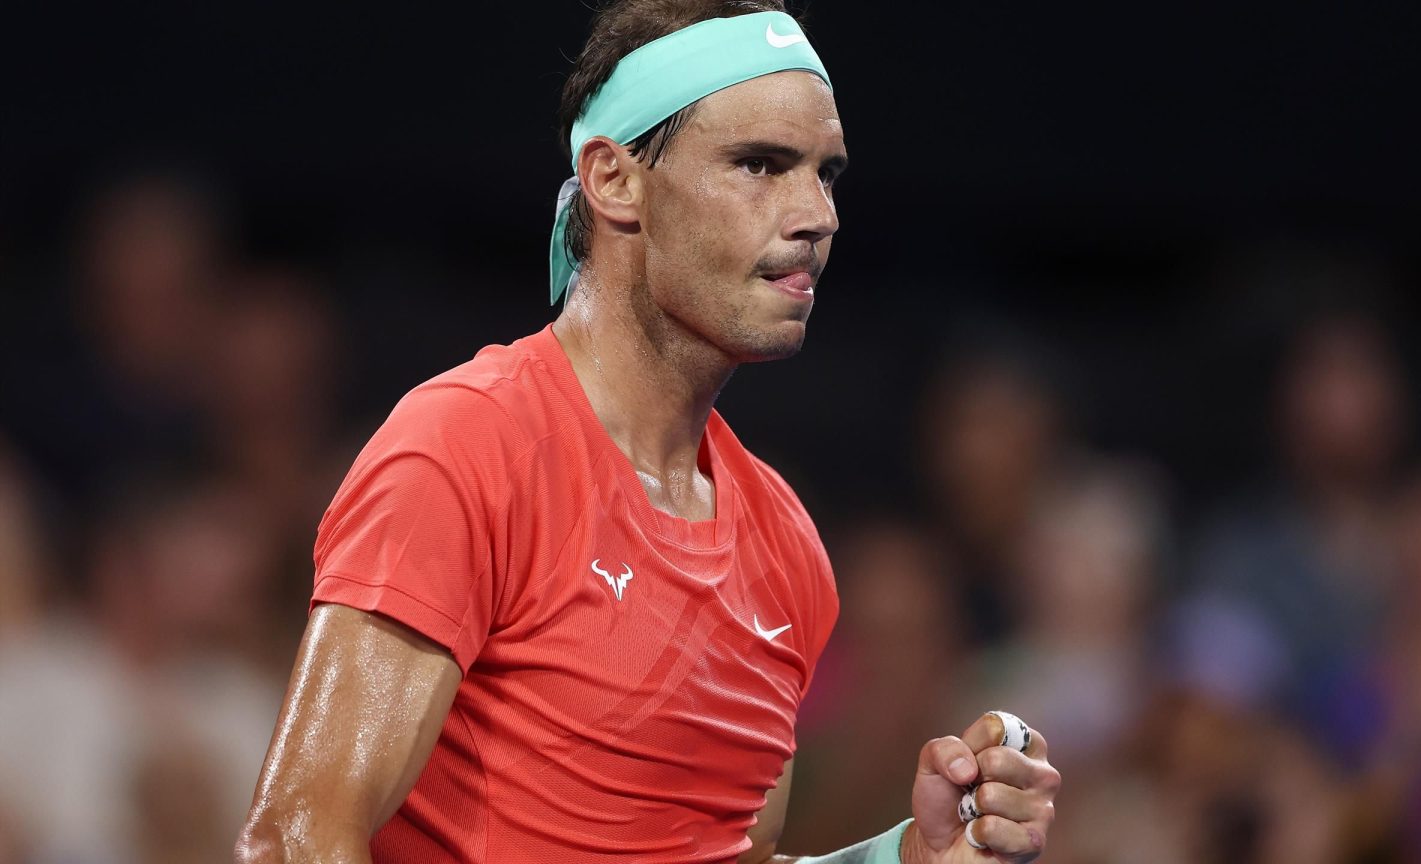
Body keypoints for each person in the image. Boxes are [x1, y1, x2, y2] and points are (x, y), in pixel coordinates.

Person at [236, 2, 1058, 862]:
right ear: (614, 180)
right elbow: (295, 839)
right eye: (759, 164)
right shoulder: (467, 449)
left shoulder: (787, 549)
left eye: (826, 174)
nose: (818, 215)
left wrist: (907, 858)